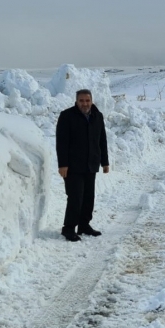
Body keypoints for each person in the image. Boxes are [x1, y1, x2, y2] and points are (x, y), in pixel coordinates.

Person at [56, 89, 110, 242]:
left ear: (91, 101)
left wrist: (105, 162)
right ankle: (68, 228)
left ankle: (84, 225)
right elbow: (62, 143)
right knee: (75, 197)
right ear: (76, 101)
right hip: (73, 166)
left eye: (87, 100)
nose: (85, 103)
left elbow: (102, 140)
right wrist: (63, 164)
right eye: (81, 101)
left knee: (88, 197)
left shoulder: (97, 116)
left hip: (91, 164)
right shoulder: (67, 116)